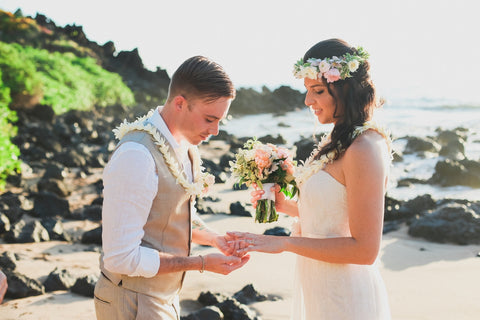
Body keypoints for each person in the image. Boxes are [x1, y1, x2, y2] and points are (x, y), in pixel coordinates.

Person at [229, 39, 392, 319]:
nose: (307, 101)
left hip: (347, 296)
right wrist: (283, 203)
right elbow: (333, 217)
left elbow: (365, 250)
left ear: (345, 88)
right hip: (320, 287)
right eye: (307, 91)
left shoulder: (364, 147)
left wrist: (284, 243)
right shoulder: (338, 138)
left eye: (317, 90)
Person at [94, 55, 250, 320]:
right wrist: (201, 263)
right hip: (131, 301)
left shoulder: (186, 148)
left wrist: (214, 239)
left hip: (165, 297)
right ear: (180, 103)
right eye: (209, 119)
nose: (215, 131)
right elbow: (120, 258)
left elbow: (170, 213)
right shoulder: (137, 155)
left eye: (220, 121)